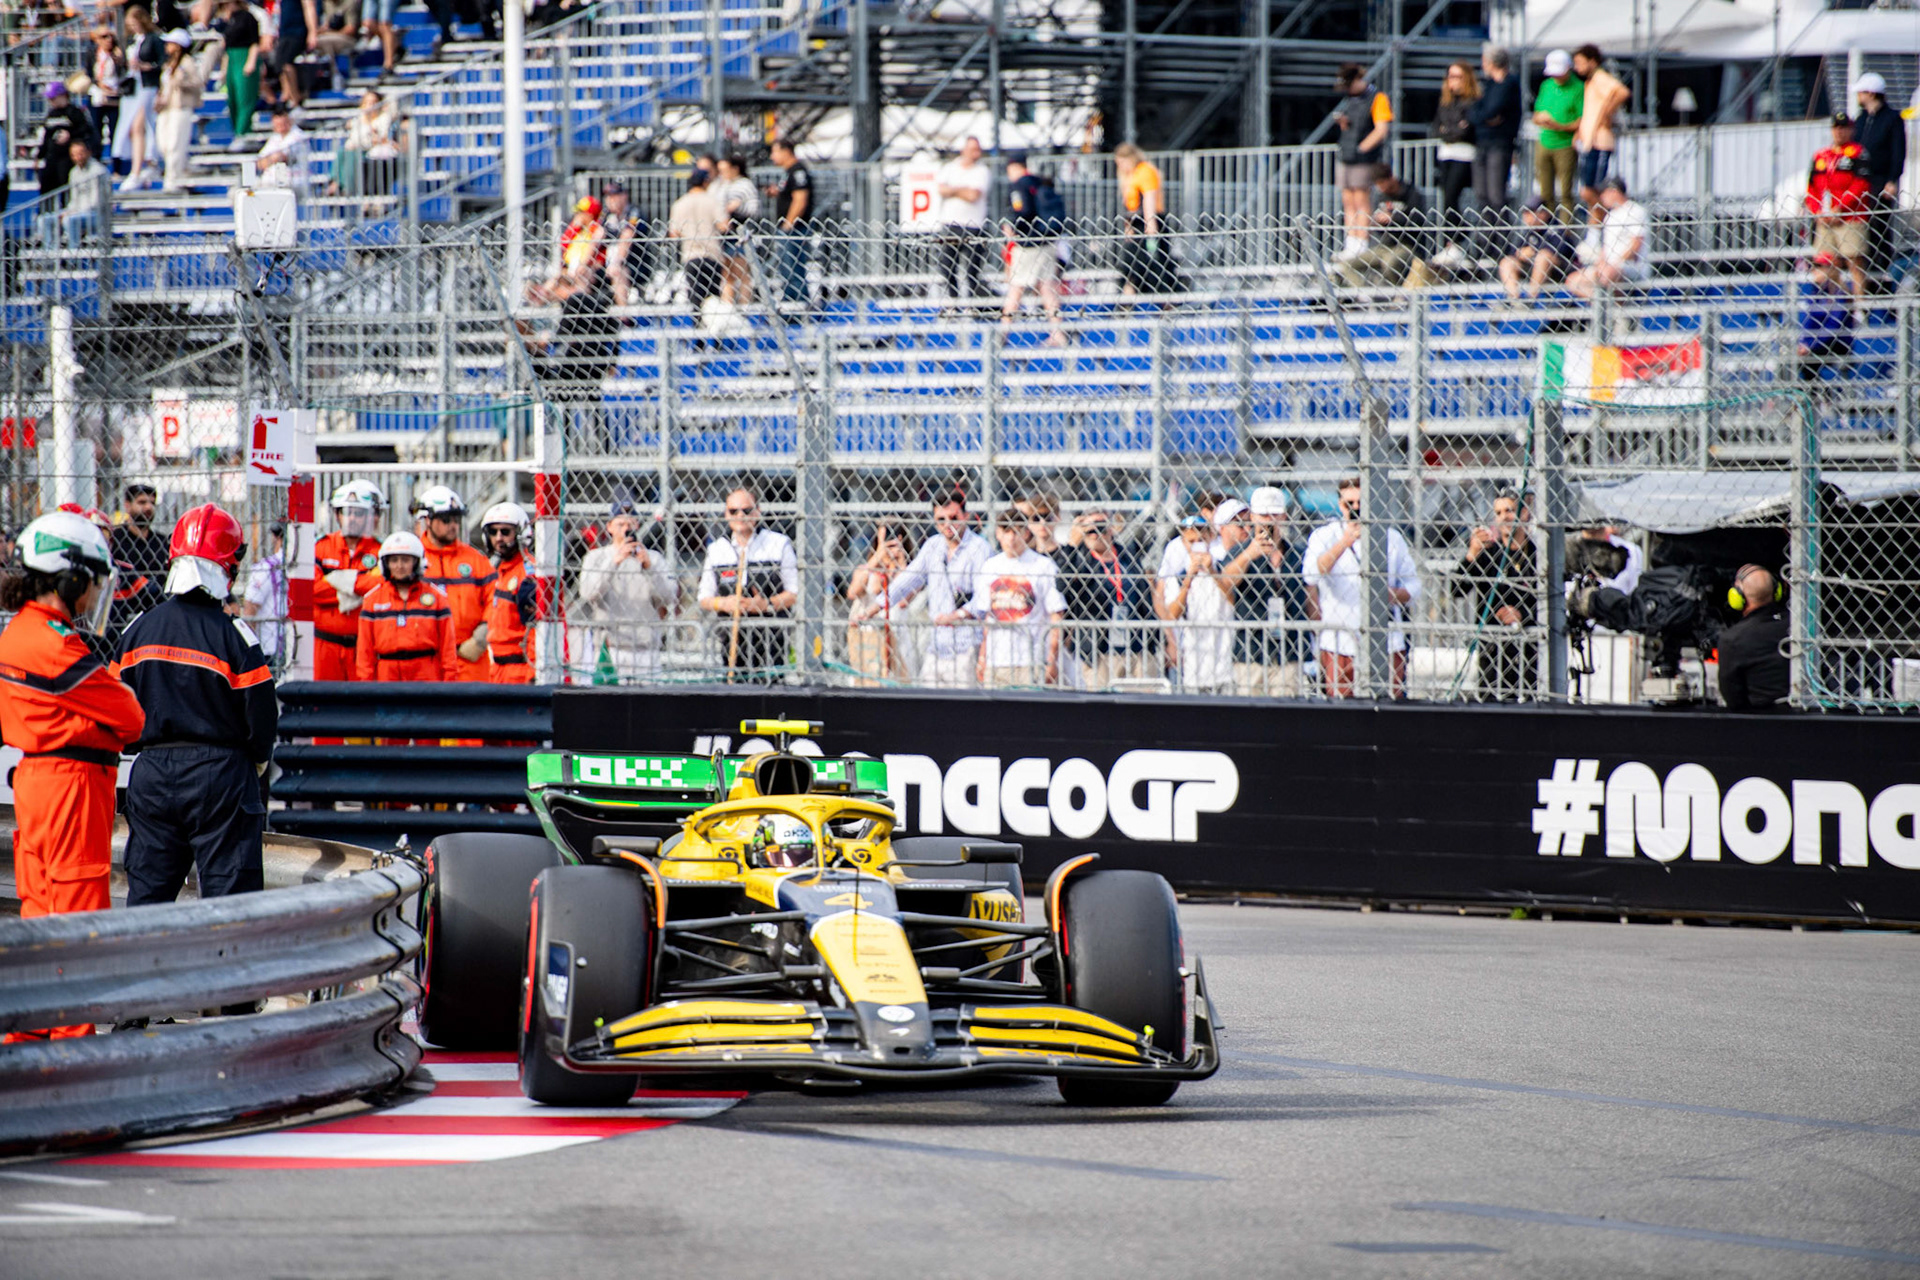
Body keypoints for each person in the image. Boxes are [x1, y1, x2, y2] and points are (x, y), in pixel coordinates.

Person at [0, 512, 144, 1041]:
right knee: (80, 927)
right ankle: (75, 1072)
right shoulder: (59, 645)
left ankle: (27, 1046)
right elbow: (130, 719)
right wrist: (105, 701)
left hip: (37, 784)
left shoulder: (18, 632)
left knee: (40, 917)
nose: (93, 595)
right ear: (69, 577)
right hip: (72, 789)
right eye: (90, 582)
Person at [113, 503, 276, 908]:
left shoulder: (138, 630)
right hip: (221, 777)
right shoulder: (235, 636)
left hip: (150, 774)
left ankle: (144, 970)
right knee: (229, 907)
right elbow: (261, 720)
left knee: (147, 900)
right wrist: (253, 762)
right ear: (229, 568)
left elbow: (115, 706)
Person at [1305, 476, 1421, 698]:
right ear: (1340, 505)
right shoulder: (1325, 535)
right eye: (1350, 504)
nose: (1356, 509)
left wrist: (1394, 595)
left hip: (1386, 641)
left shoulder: (1391, 537)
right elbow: (1311, 573)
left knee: (1390, 703)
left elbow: (1414, 585)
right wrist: (1345, 542)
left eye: (1361, 503)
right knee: (1340, 706)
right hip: (1339, 641)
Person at [943, 507, 1066, 688]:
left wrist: (1052, 659)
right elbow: (988, 618)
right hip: (997, 659)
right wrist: (983, 657)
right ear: (998, 534)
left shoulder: (1043, 565)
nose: (1011, 538)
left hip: (1030, 658)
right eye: (1006, 531)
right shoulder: (990, 567)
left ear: (1025, 533)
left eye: (1016, 531)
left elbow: (1056, 615)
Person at [884, 490, 991, 687]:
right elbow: (908, 580)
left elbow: (984, 597)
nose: (947, 525)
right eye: (941, 520)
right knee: (930, 705)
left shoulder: (979, 548)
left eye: (953, 518)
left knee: (964, 708)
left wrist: (957, 615)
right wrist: (877, 606)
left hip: (966, 645)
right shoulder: (933, 546)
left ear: (965, 517)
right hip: (936, 645)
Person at [696, 486, 797, 682]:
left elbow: (794, 592)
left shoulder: (778, 544)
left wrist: (765, 605)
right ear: (726, 514)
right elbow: (704, 597)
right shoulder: (717, 549)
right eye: (734, 511)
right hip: (731, 641)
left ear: (757, 511)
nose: (740, 515)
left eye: (747, 510)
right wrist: (724, 604)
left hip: (771, 640)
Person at [572, 500, 673, 682]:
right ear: (610, 527)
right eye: (620, 524)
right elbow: (588, 592)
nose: (625, 529)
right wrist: (614, 562)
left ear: (637, 525)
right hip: (610, 647)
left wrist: (648, 567)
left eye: (630, 524)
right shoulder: (597, 557)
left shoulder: (654, 558)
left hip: (645, 647)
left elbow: (669, 596)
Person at [1228, 486, 1313, 697]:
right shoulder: (1240, 552)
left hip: (1290, 649)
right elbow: (1226, 581)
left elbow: (1312, 595)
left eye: (1274, 514)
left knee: (1287, 714)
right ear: (1253, 516)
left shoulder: (1298, 554)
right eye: (1264, 514)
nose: (1269, 520)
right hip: (1252, 651)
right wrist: (1250, 554)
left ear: (1283, 515)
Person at [1454, 489, 1537, 701]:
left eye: (1509, 510)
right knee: (1490, 703)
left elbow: (1548, 601)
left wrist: (1522, 615)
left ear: (1524, 513)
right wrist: (1471, 554)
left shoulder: (1538, 554)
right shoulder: (1488, 552)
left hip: (1529, 647)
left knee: (1529, 703)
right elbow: (1457, 590)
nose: (1504, 518)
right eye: (1498, 513)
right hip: (1492, 648)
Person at [1054, 507, 1151, 688]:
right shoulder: (1079, 559)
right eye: (1089, 530)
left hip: (1135, 646)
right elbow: (1062, 586)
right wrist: (1072, 545)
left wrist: (1156, 642)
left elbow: (1145, 600)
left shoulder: (1127, 557)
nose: (1096, 534)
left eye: (1101, 527)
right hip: (1098, 650)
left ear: (1111, 528)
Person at [412, 485, 496, 681]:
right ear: (428, 520)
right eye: (446, 519)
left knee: (474, 710)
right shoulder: (413, 558)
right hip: (428, 657)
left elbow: (495, 598)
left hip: (470, 656)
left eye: (456, 519)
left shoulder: (475, 560)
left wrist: (481, 637)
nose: (453, 525)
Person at [355, 530, 458, 681]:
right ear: (386, 564)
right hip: (387, 674)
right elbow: (365, 651)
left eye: (405, 560)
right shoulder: (373, 599)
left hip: (426, 674)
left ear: (416, 562)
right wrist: (365, 686)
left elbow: (448, 649)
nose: (399, 566)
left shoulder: (436, 598)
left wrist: (449, 685)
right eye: (394, 560)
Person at [312, 479, 384, 681]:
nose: (352, 518)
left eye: (358, 513)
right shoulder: (321, 547)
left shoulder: (381, 551)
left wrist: (337, 580)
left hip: (364, 647)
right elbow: (313, 590)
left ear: (370, 517)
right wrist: (360, 586)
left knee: (362, 706)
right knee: (324, 705)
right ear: (338, 515)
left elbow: (380, 590)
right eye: (346, 512)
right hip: (325, 646)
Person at [1158, 510, 1235, 694]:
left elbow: (1232, 599)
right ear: (1183, 543)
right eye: (1191, 542)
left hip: (1225, 665)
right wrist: (1188, 580)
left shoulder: (1223, 566)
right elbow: (1171, 615)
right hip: (1194, 666)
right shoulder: (1178, 576)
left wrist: (1211, 571)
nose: (1196, 546)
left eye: (1201, 539)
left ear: (1209, 537)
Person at [1805, 113, 1872, 299]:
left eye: (1844, 128)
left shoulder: (1858, 153)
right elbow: (1811, 188)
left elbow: (1861, 185)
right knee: (1824, 262)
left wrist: (1840, 208)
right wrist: (1817, 211)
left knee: (1854, 260)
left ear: (1851, 130)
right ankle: (1839, 302)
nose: (1839, 132)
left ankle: (1860, 308)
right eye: (1836, 128)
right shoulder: (1821, 156)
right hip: (1825, 219)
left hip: (1851, 217)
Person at [1002, 152, 1066, 346]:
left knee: (1016, 287)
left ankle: (1003, 330)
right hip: (1046, 242)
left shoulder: (1019, 185)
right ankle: (1058, 331)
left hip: (1028, 243)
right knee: (1047, 288)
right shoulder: (1039, 182)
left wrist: (1011, 227)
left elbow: (1023, 210)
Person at [1333, 62, 1394, 260]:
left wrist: (1362, 147)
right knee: (1348, 200)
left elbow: (1381, 129)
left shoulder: (1378, 98)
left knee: (1361, 199)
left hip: (1363, 158)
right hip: (1347, 155)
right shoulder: (1351, 100)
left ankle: (1361, 242)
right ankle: (1350, 242)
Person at [1333, 170, 1435, 288]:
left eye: (1382, 184)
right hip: (1385, 246)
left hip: (1408, 246)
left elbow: (1417, 222)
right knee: (1348, 264)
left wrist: (1394, 218)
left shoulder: (1412, 194)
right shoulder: (1381, 196)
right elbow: (1380, 229)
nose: (1380, 188)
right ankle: (1365, 295)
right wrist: (1378, 223)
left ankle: (1396, 294)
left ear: (1390, 179)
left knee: (1389, 262)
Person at [1851, 73, 1906, 285]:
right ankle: (1866, 278)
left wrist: (1892, 179)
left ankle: (1882, 277)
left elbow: (1897, 151)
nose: (1859, 96)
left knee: (1880, 228)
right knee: (1861, 228)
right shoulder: (1862, 119)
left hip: (1881, 180)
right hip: (1861, 182)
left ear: (1872, 93)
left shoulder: (1891, 118)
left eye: (1862, 92)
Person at [845, 519, 914, 684]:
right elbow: (853, 592)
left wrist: (900, 563)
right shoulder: (866, 569)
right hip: (868, 639)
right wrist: (878, 555)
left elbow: (904, 600)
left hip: (898, 638)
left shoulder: (908, 572)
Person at [1570, 44, 1628, 237]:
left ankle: (1603, 228)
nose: (1576, 67)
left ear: (1592, 61)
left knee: (1592, 190)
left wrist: (1606, 114)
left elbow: (1621, 92)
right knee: (1586, 191)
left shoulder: (1600, 77)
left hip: (1600, 141)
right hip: (1589, 141)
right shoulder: (1590, 82)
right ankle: (1595, 231)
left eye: (1580, 62)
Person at [1717, 565, 1789, 712]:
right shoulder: (1801, 627)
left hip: (1759, 721)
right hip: (1807, 714)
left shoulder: (1732, 639)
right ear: (1777, 592)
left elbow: (1733, 700)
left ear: (1737, 596)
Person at [1567, 177, 1649, 301]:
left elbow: (1636, 244)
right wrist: (1601, 262)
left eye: (1604, 193)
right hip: (1607, 267)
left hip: (1630, 266)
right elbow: (1606, 247)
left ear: (1614, 192)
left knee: (1606, 275)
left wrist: (1615, 263)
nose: (1602, 197)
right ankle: (1603, 307)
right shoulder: (1610, 216)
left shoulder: (1635, 211)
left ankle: (1614, 312)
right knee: (1573, 281)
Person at [480, 502, 536, 682]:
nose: (498, 538)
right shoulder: (498, 571)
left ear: (521, 534)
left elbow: (536, 630)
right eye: (493, 532)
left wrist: (532, 675)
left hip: (519, 670)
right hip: (496, 669)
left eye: (505, 532)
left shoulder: (528, 574)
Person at [1430, 62, 1480, 265]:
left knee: (1451, 195)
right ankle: (1454, 242)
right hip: (1446, 154)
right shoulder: (1445, 102)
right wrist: (1451, 130)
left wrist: (1448, 130)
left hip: (1465, 154)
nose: (1453, 81)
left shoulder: (1473, 101)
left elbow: (1465, 130)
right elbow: (1436, 128)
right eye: (1450, 76)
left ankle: (1460, 240)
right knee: (1445, 198)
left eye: (1457, 76)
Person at [934, 135, 992, 307]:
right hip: (951, 224)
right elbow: (941, 189)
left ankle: (973, 305)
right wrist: (963, 190)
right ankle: (954, 302)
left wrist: (954, 189)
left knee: (972, 270)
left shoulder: (982, 171)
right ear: (964, 150)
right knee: (947, 266)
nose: (977, 153)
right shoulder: (950, 168)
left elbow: (974, 195)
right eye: (973, 149)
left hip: (974, 225)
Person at [1469, 44, 1520, 239]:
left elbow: (1493, 109)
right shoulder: (1489, 85)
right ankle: (1485, 240)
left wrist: (1485, 116)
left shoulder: (1509, 84)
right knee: (1481, 194)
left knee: (1496, 195)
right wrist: (1485, 118)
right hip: (1482, 143)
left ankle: (1501, 241)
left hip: (1500, 144)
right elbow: (1475, 112)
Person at [156, 29, 215, 192]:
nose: (167, 46)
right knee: (163, 144)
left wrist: (182, 82)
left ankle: (172, 179)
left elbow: (197, 82)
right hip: (166, 107)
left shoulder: (187, 62)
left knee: (176, 143)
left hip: (181, 106)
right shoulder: (168, 64)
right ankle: (182, 168)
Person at [108, 481, 169, 634]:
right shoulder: (115, 540)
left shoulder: (162, 543)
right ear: (127, 505)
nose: (148, 507)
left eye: (152, 503)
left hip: (159, 612)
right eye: (142, 502)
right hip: (122, 616)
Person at [113, 5, 162, 190]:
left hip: (148, 87)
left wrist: (148, 67)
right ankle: (145, 164)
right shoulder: (132, 40)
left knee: (139, 126)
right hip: (134, 88)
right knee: (132, 129)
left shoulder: (153, 39)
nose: (132, 27)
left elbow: (163, 62)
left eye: (134, 23)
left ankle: (138, 169)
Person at [1797, 254, 1856, 407]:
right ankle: (1815, 396)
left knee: (1807, 362)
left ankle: (1821, 396)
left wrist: (1810, 345)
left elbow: (1833, 326)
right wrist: (1804, 342)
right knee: (1793, 360)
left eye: (1818, 267)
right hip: (1818, 342)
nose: (1813, 271)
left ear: (1830, 269)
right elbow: (1810, 321)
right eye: (1812, 267)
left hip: (1837, 343)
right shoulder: (1816, 292)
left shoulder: (1840, 293)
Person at [1532, 49, 1582, 224]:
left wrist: (1559, 126)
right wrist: (1541, 120)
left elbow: (1581, 120)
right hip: (1545, 142)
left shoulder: (1578, 88)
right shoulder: (1547, 85)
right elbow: (1536, 113)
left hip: (1565, 144)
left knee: (1565, 192)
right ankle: (1546, 230)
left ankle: (1565, 232)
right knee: (1545, 192)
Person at [1498, 195, 1578, 303]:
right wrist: (1520, 254)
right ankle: (1513, 299)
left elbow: (1559, 251)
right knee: (1506, 262)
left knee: (1543, 257)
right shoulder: (1528, 233)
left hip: (1559, 272)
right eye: (1525, 213)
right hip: (1533, 269)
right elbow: (1513, 252)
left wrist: (1533, 252)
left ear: (1543, 213)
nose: (1527, 216)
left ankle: (1531, 298)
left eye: (1531, 212)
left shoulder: (1556, 229)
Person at [1115, 142, 1170, 294]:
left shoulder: (1145, 171)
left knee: (1153, 264)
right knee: (1132, 265)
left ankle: (1165, 301)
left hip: (1148, 222)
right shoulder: (1131, 175)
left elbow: (1149, 200)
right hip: (1137, 223)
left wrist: (1150, 226)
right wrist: (1129, 227)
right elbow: (1129, 206)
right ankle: (1127, 299)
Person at [669, 167, 725, 318]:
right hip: (712, 253)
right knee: (713, 296)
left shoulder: (679, 204)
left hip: (691, 254)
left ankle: (698, 332)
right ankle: (715, 335)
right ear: (705, 182)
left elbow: (674, 232)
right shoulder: (712, 201)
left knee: (695, 295)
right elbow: (723, 225)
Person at [767, 138, 812, 311]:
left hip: (794, 228)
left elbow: (800, 199)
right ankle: (790, 306)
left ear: (786, 151)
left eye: (775, 151)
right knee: (786, 269)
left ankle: (798, 308)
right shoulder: (787, 172)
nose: (773, 156)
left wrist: (789, 223)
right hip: (789, 227)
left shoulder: (798, 171)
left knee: (794, 268)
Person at [35, 81, 97, 208]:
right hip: (51, 159)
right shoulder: (51, 115)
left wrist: (70, 135)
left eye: (53, 98)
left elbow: (86, 131)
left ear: (62, 95)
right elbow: (46, 137)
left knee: (65, 191)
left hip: (67, 159)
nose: (50, 101)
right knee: (46, 191)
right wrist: (39, 156)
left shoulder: (75, 112)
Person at [215, 0, 265, 142]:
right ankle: (237, 130)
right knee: (232, 98)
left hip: (245, 56)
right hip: (232, 58)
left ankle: (242, 132)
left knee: (245, 97)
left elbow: (255, 42)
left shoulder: (248, 17)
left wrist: (251, 62)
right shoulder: (229, 21)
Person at [714, 153, 759, 306]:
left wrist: (730, 211)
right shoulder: (722, 185)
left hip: (738, 232)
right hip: (723, 234)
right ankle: (728, 306)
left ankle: (744, 306)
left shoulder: (744, 185)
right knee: (726, 274)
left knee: (741, 272)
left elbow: (749, 208)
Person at [240, 519, 288, 665]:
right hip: (295, 647)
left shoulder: (265, 567)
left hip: (270, 649)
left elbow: (250, 610)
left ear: (275, 537)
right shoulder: (306, 567)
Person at [48, 140, 110, 249]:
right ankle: (48, 256)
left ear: (88, 152)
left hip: (96, 214)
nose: (77, 157)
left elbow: (96, 201)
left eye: (80, 153)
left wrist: (73, 212)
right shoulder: (74, 172)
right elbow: (74, 199)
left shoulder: (99, 171)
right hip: (77, 211)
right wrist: (68, 211)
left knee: (70, 220)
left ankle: (73, 257)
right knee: (46, 219)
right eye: (74, 154)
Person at [599, 182, 643, 306]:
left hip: (633, 264)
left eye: (614, 195)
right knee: (584, 273)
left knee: (619, 273)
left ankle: (623, 318)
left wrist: (616, 263)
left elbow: (627, 237)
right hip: (607, 264)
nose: (610, 199)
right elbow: (597, 236)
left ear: (624, 196)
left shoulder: (633, 212)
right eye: (607, 196)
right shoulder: (607, 214)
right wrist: (583, 263)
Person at [254, 103, 311, 191]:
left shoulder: (298, 136)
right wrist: (271, 159)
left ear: (289, 120)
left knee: (280, 170)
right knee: (244, 191)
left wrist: (269, 160)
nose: (279, 126)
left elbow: (281, 158)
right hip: (272, 182)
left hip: (294, 180)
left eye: (282, 123)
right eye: (277, 123)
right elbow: (260, 163)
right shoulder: (275, 138)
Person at [271, 0, 316, 109]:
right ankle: (286, 95)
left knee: (286, 62)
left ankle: (295, 98)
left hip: (297, 31)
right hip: (284, 33)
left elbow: (309, 7)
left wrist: (312, 32)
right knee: (279, 65)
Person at [88, 26, 125, 156]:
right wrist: (98, 83)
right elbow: (89, 73)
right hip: (98, 95)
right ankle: (97, 158)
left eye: (111, 36)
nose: (108, 40)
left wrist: (119, 59)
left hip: (114, 95)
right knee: (96, 130)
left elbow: (124, 73)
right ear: (97, 39)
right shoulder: (92, 53)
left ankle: (117, 164)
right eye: (104, 37)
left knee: (115, 130)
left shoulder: (118, 54)